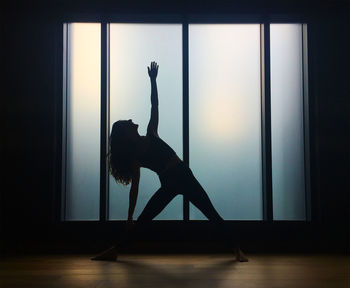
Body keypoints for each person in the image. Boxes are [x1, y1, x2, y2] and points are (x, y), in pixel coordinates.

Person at [91, 62, 248, 262]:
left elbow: (154, 105)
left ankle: (236, 249)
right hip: (169, 183)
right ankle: (115, 250)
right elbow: (135, 188)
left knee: (210, 212)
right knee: (144, 219)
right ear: (127, 136)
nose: (131, 121)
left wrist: (153, 81)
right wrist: (130, 217)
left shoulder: (151, 133)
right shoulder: (136, 158)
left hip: (184, 176)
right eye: (127, 124)